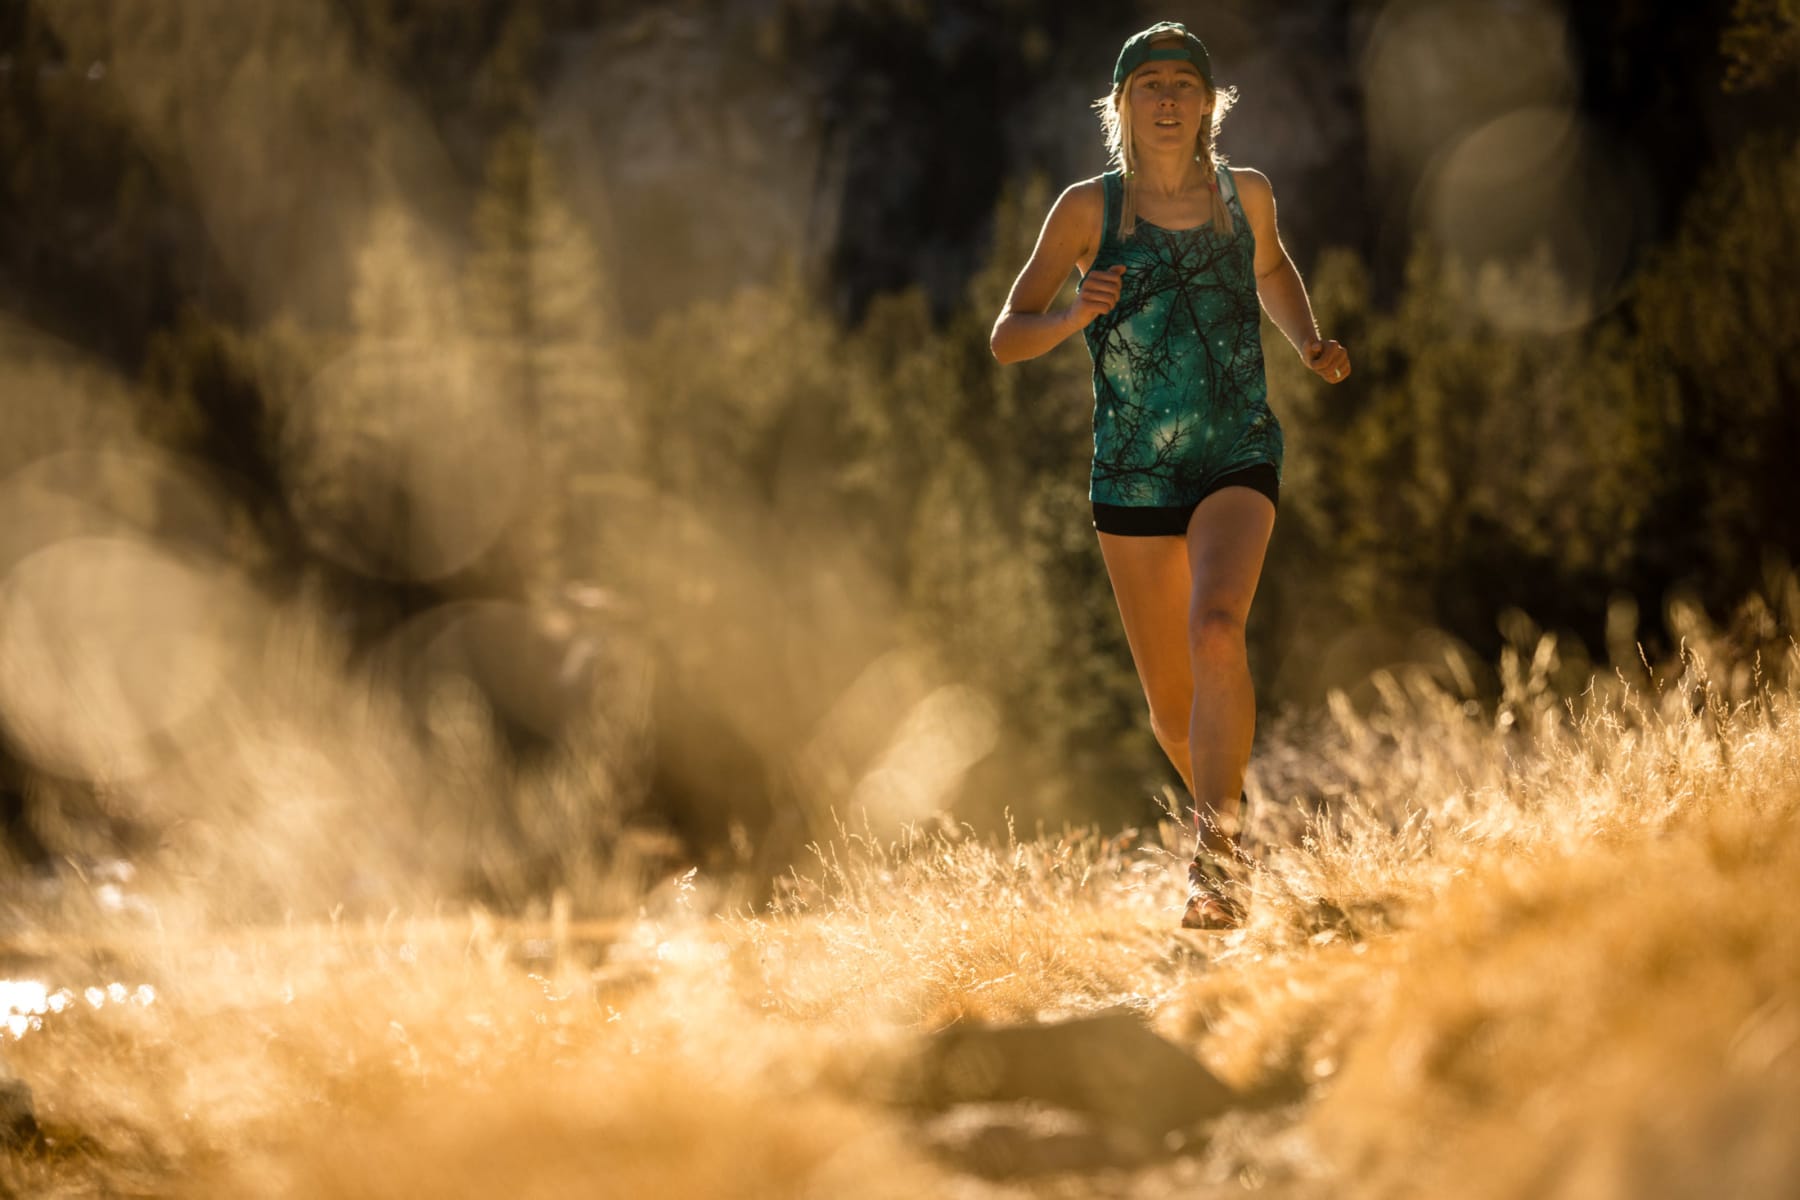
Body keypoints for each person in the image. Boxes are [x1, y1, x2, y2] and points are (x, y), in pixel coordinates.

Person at [989, 21, 1351, 929]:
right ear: (1120, 107)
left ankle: (1217, 865)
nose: (1165, 99)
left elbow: (1272, 267)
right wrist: (1075, 313)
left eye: (1182, 84)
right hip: (1133, 478)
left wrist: (1305, 340)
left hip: (1237, 451)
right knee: (1170, 714)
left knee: (1218, 627)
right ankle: (1235, 828)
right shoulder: (1088, 211)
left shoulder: (1247, 195)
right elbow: (1007, 337)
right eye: (1146, 84)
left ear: (1208, 105)